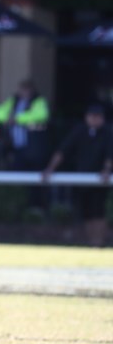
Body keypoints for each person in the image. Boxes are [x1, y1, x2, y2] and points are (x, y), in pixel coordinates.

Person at [43, 103, 113, 247]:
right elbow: (63, 150)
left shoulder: (108, 132)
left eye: (97, 116)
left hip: (100, 180)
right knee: (86, 212)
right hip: (82, 178)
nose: (94, 119)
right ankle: (92, 242)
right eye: (92, 116)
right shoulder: (79, 131)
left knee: (98, 211)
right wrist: (50, 168)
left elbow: (109, 154)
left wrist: (106, 171)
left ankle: (99, 242)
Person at [0, 79, 49, 172]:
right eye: (22, 89)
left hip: (33, 146)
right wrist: (8, 119)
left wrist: (17, 119)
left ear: (32, 90)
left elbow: (42, 115)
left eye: (27, 89)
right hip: (15, 145)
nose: (24, 92)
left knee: (33, 171)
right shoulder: (14, 101)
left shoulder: (38, 100)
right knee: (16, 170)